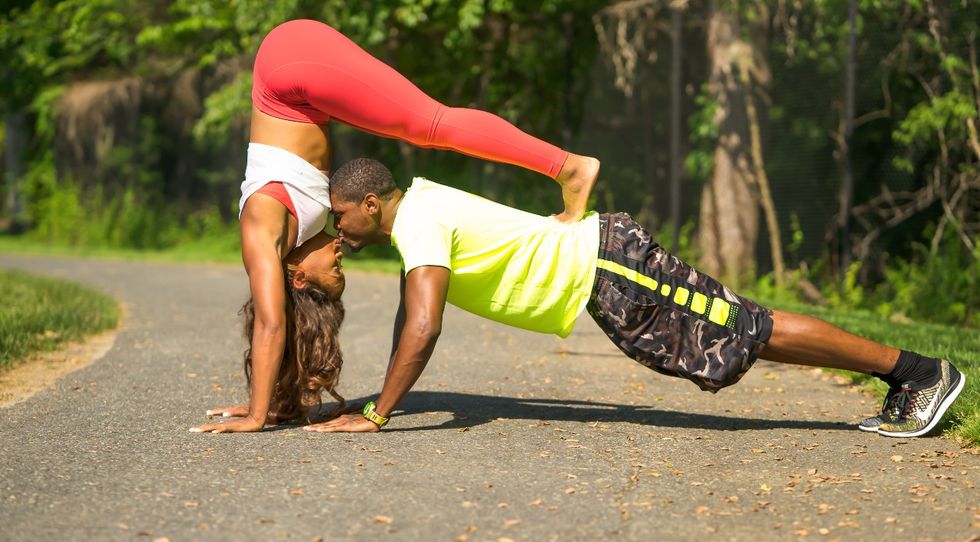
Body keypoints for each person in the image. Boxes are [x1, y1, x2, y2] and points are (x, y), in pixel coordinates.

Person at [309, 158, 965, 438]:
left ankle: (920, 372)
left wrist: (376, 415)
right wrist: (377, 401)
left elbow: (422, 326)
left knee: (747, 327)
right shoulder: (420, 209)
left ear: (371, 202)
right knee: (737, 341)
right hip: (605, 278)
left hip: (612, 265)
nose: (341, 230)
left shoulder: (418, 221)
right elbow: (412, 318)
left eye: (343, 216)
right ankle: (907, 376)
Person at [191, 19, 599, 433]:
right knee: (426, 127)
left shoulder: (263, 233)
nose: (339, 253)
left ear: (297, 280)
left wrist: (257, 415)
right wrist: (283, 398)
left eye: (334, 270)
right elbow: (288, 330)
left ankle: (568, 168)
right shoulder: (304, 240)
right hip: (299, 88)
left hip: (287, 67)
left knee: (430, 125)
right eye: (341, 266)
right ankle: (566, 167)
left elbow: (271, 322)